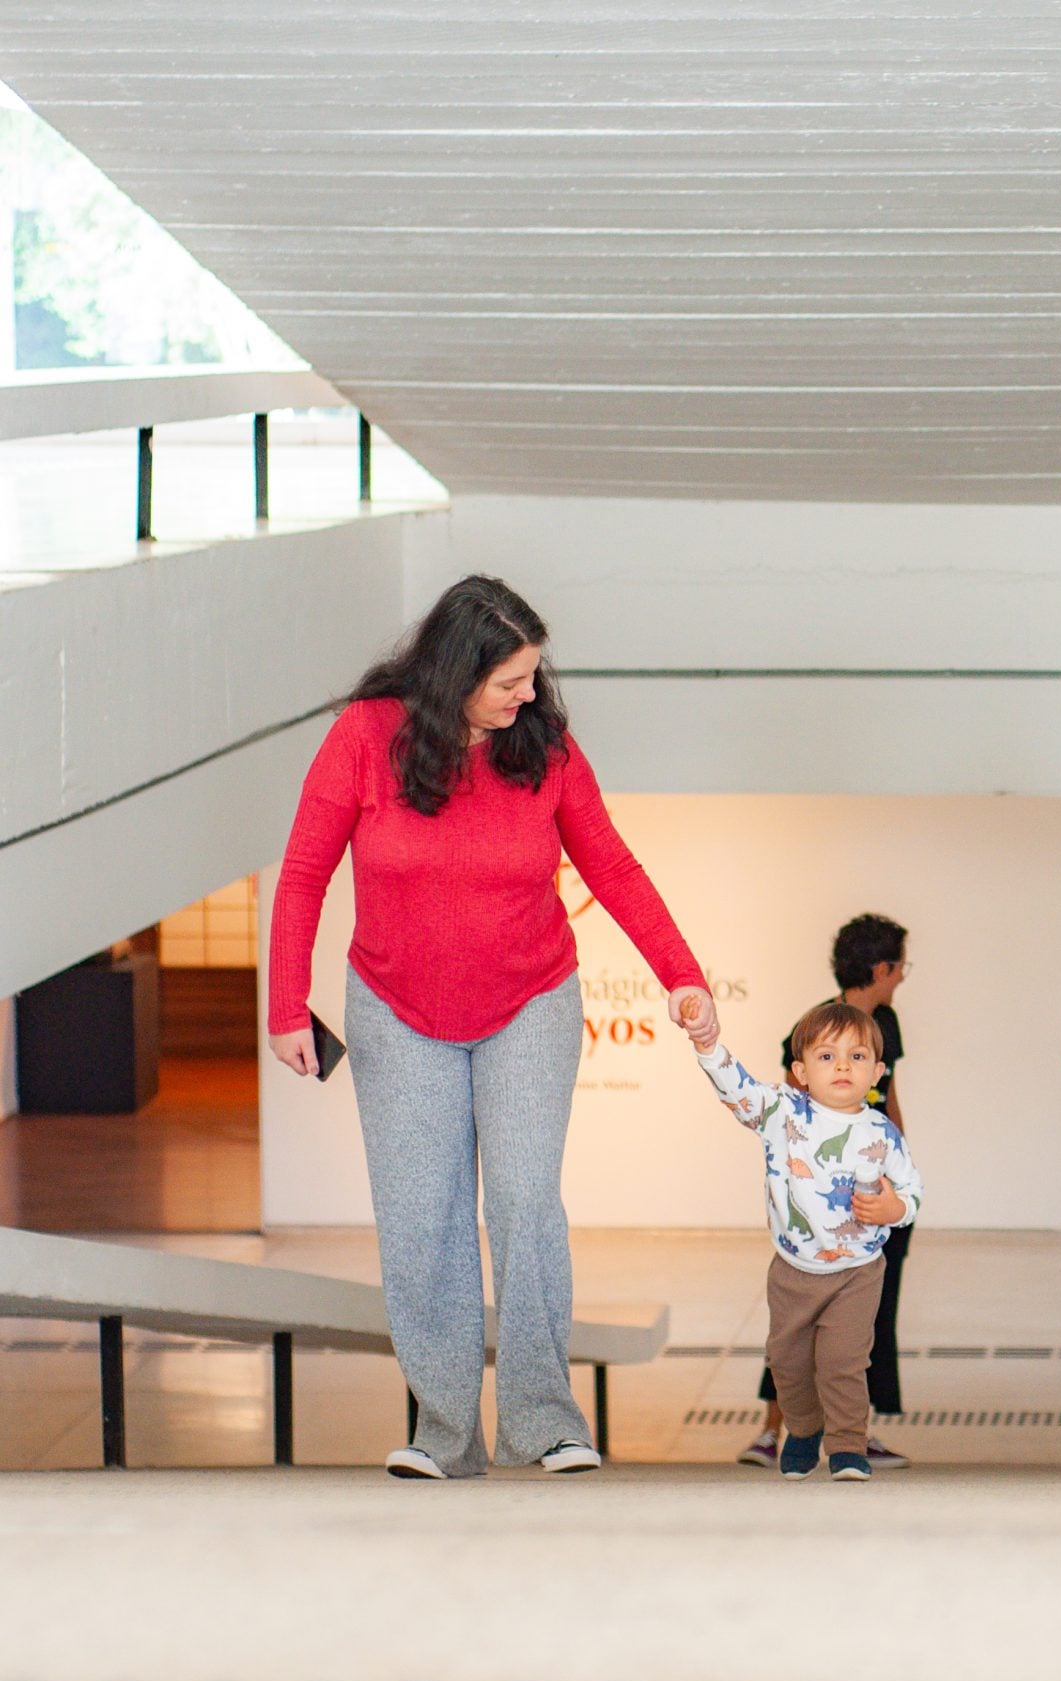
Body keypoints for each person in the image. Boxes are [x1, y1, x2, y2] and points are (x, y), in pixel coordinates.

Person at [267, 575, 717, 1480]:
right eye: (509, 681)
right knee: (420, 1219)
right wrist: (285, 1005)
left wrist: (683, 974)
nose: (527, 696)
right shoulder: (365, 737)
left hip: (529, 1002)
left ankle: (545, 1423)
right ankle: (443, 1432)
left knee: (522, 1201)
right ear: (452, 670)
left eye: (532, 678)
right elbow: (304, 874)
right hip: (395, 1012)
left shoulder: (542, 748)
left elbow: (615, 868)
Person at [689, 998, 920, 1482]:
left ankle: (848, 1446)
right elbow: (740, 1092)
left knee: (843, 1362)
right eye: (826, 1056)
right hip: (794, 1270)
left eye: (857, 1057)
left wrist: (895, 1208)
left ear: (878, 1071)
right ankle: (803, 1429)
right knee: (787, 1365)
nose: (842, 1066)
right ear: (800, 1070)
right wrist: (709, 1048)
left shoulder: (882, 1132)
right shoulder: (782, 1112)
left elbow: (912, 1190)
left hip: (857, 1271)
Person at [739, 914, 916, 1471]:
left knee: (861, 1328)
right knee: (793, 1336)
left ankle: (851, 1433)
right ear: (881, 967)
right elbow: (793, 1113)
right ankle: (779, 1428)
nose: (902, 978)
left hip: (874, 1195)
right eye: (901, 967)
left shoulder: (885, 1022)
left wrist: (898, 1168)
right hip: (812, 1211)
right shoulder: (816, 1025)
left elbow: (888, 1099)